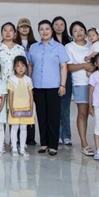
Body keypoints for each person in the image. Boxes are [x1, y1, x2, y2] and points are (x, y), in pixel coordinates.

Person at [28, 20, 68, 156]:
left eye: (47, 29)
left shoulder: (59, 47)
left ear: (51, 31)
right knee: (41, 115)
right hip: (37, 86)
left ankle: (53, 145)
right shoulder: (34, 47)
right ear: (38, 31)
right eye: (41, 29)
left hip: (53, 86)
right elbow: (30, 66)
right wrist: (29, 84)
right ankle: (44, 143)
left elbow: (63, 67)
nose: (44, 32)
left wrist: (62, 84)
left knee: (53, 116)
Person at [65, 21, 96, 156]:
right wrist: (84, 66)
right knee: (83, 113)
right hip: (80, 83)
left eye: (81, 30)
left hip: (97, 83)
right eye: (75, 30)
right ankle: (84, 143)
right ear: (71, 34)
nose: (79, 32)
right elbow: (68, 67)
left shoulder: (92, 45)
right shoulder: (69, 47)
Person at [7, 56, 35, 157]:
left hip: (26, 108)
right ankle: (14, 148)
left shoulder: (28, 80)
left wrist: (31, 108)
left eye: (23, 66)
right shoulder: (11, 80)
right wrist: (11, 108)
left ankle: (22, 148)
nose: (20, 68)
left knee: (24, 128)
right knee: (14, 128)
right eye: (18, 66)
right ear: (14, 67)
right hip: (15, 108)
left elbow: (31, 95)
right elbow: (10, 96)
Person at [17, 18, 37, 146]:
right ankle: (18, 137)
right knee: (19, 108)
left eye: (27, 27)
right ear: (18, 29)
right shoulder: (14, 44)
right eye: (22, 27)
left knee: (30, 108)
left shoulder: (35, 44)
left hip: (32, 80)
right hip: (18, 81)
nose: (24, 29)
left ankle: (30, 137)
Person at [52, 16, 73, 147]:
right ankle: (58, 134)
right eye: (56, 24)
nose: (59, 27)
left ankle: (66, 135)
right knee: (55, 108)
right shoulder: (49, 41)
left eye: (61, 24)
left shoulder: (70, 42)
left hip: (67, 76)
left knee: (65, 107)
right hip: (54, 76)